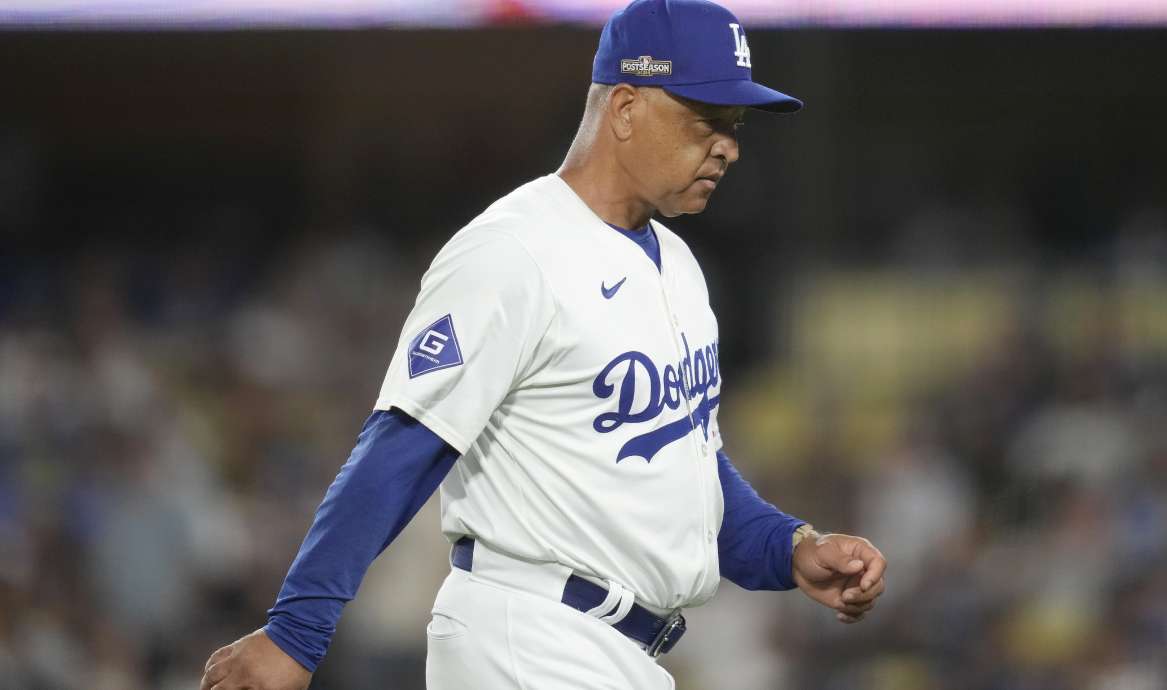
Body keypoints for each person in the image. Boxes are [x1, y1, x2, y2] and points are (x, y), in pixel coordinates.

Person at [199, 1, 887, 688]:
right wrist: (296, 633)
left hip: (618, 653)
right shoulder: (513, 252)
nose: (728, 145)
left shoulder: (677, 263)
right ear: (624, 108)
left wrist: (790, 548)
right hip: (527, 635)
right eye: (706, 119)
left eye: (733, 126)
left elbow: (686, 467)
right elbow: (403, 444)